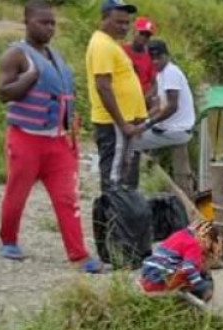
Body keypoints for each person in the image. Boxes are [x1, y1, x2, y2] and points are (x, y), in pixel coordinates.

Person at [0, 1, 102, 273]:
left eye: (53, 23)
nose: (50, 28)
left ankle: (78, 255)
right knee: (16, 193)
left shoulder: (55, 54)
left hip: (58, 141)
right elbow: (3, 93)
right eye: (43, 22)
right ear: (27, 22)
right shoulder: (16, 55)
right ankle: (8, 240)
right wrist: (29, 78)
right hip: (25, 139)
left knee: (68, 198)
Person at [87, 0, 147, 192]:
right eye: (118, 22)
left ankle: (120, 217)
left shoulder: (111, 44)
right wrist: (122, 124)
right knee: (114, 180)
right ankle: (111, 219)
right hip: (114, 123)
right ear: (104, 19)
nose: (124, 27)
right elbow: (102, 86)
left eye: (126, 23)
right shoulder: (102, 45)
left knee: (123, 176)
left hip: (124, 122)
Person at [131, 40, 194, 188]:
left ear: (167, 56)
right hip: (168, 128)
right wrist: (142, 119)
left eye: (159, 57)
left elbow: (172, 106)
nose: (155, 61)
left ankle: (131, 186)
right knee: (134, 133)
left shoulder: (171, 72)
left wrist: (147, 124)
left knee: (131, 143)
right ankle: (142, 178)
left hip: (177, 131)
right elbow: (159, 106)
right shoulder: (161, 74)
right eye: (152, 58)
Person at [139, 220, 222, 300]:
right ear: (207, 239)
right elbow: (188, 268)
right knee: (205, 282)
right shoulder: (194, 245)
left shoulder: (180, 234)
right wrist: (200, 285)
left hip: (148, 276)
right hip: (159, 283)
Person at [122, 16, 156, 101]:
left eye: (147, 35)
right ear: (134, 32)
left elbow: (155, 84)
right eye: (141, 33)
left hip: (142, 99)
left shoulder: (151, 56)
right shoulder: (121, 51)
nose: (144, 38)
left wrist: (144, 100)